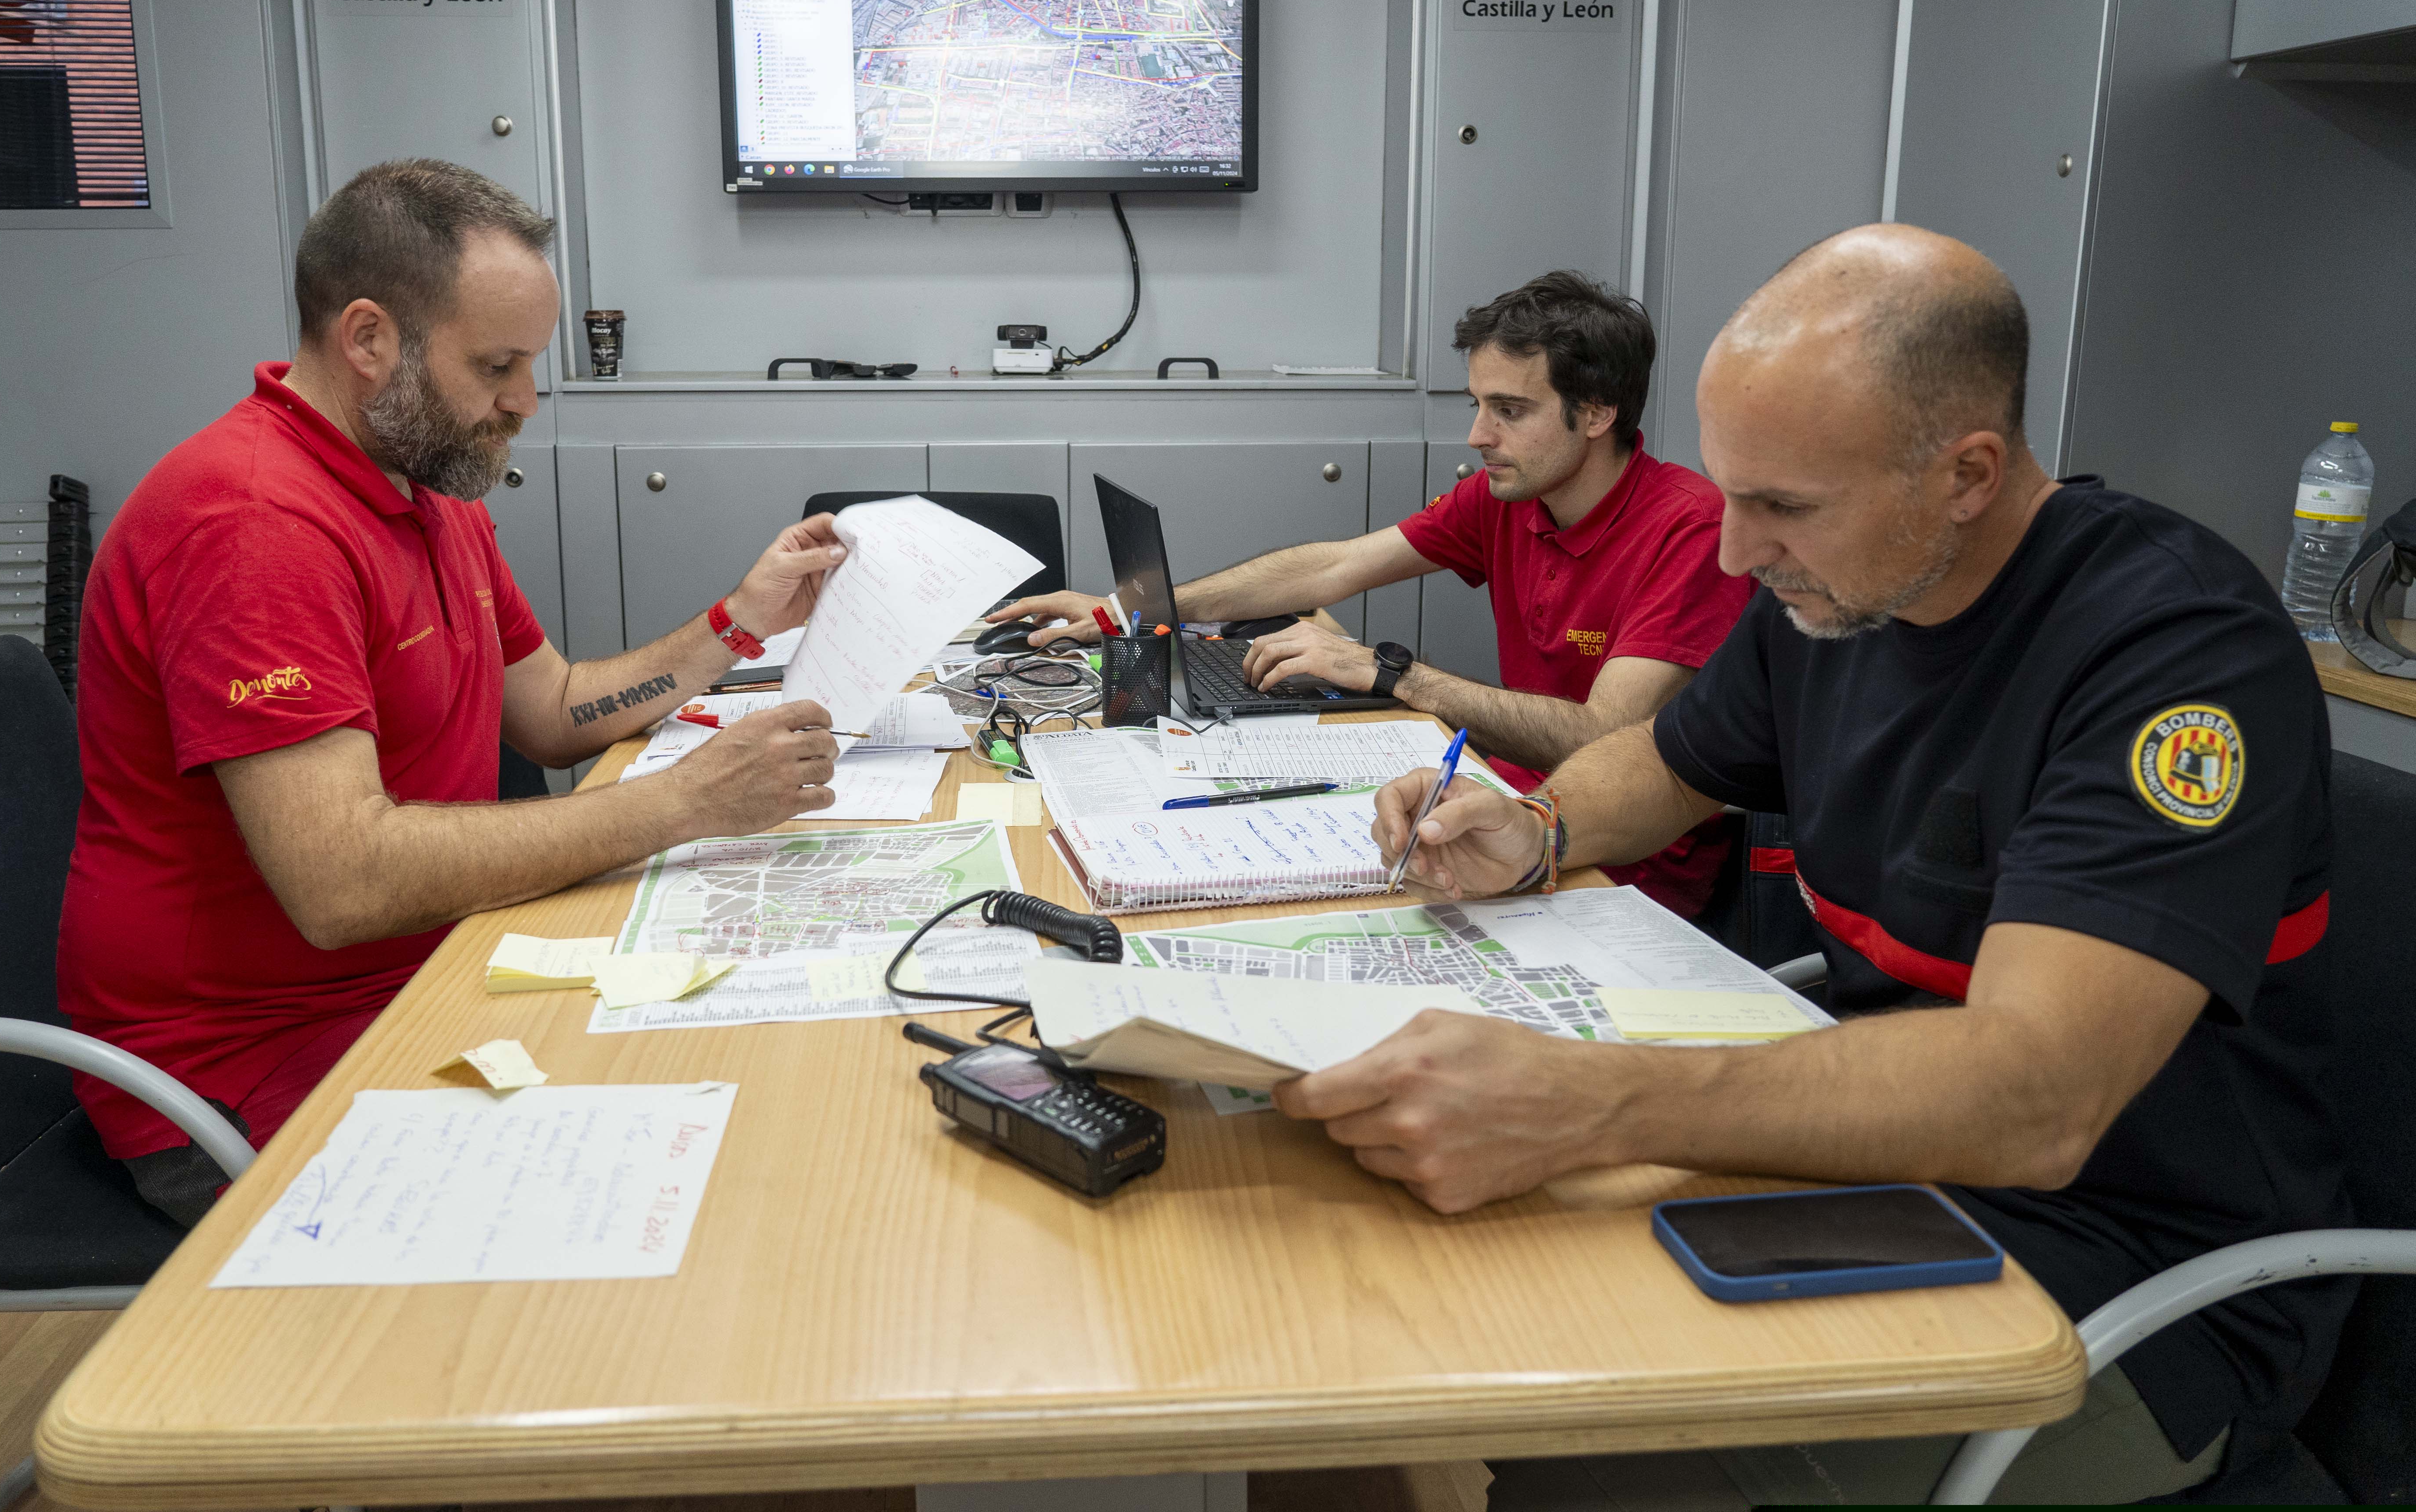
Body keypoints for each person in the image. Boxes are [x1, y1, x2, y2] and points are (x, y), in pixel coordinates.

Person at [1298, 224, 2346, 1505]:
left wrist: (1600, 1101)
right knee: (1463, 1319)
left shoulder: (2174, 655)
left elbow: (2036, 1098)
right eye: (1731, 493)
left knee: (1592, 1451)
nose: (1736, 553)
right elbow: (1672, 759)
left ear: (1966, 474)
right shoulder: (1843, 595)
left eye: (1785, 506)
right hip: (1879, 1175)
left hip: (2127, 1291)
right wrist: (1541, 830)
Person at [59, 159, 843, 1226]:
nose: (525, 398)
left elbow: (555, 709)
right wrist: (686, 803)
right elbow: (345, 885)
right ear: (369, 339)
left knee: (767, 1080)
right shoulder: (252, 528)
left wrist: (737, 622)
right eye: (497, 364)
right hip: (244, 1069)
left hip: (424, 972)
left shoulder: (425, 478)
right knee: (682, 1188)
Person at [992, 272, 1750, 917]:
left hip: (1614, 870)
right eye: (1477, 404)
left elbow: (1602, 737)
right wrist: (1132, 613)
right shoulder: (1510, 496)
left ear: (1596, 415)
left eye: (1509, 411)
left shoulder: (1689, 530)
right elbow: (1332, 568)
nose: (1478, 435)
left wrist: (1394, 673)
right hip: (1490, 809)